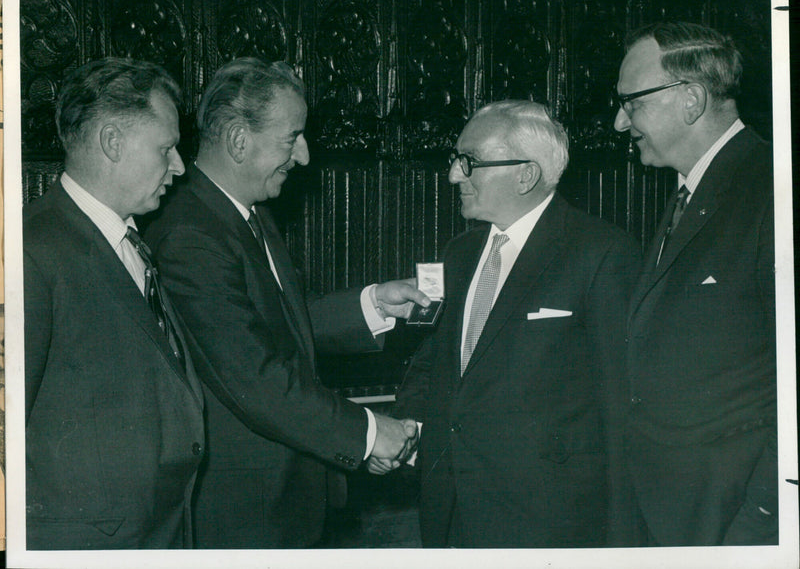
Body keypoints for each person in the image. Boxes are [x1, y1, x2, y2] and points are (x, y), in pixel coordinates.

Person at [145, 57, 425, 548]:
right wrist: (365, 432)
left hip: (284, 501)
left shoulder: (244, 213)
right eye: (292, 137)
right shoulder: (190, 235)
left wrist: (373, 303)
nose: (305, 156)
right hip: (243, 516)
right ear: (238, 140)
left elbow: (276, 323)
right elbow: (254, 373)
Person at [373, 100, 641, 547]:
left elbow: (622, 413)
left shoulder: (602, 255)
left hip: (549, 526)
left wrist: (623, 543)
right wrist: (407, 429)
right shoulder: (461, 254)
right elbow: (437, 365)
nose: (454, 175)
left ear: (526, 175)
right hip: (451, 513)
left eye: (469, 162)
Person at [24, 58, 204, 549]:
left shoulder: (128, 239)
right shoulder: (30, 250)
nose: (180, 166)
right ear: (112, 142)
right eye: (166, 148)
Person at [614, 21, 777, 545]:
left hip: (732, 518)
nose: (620, 122)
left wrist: (759, 527)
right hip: (674, 509)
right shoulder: (689, 191)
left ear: (690, 100)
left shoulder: (772, 187)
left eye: (632, 102)